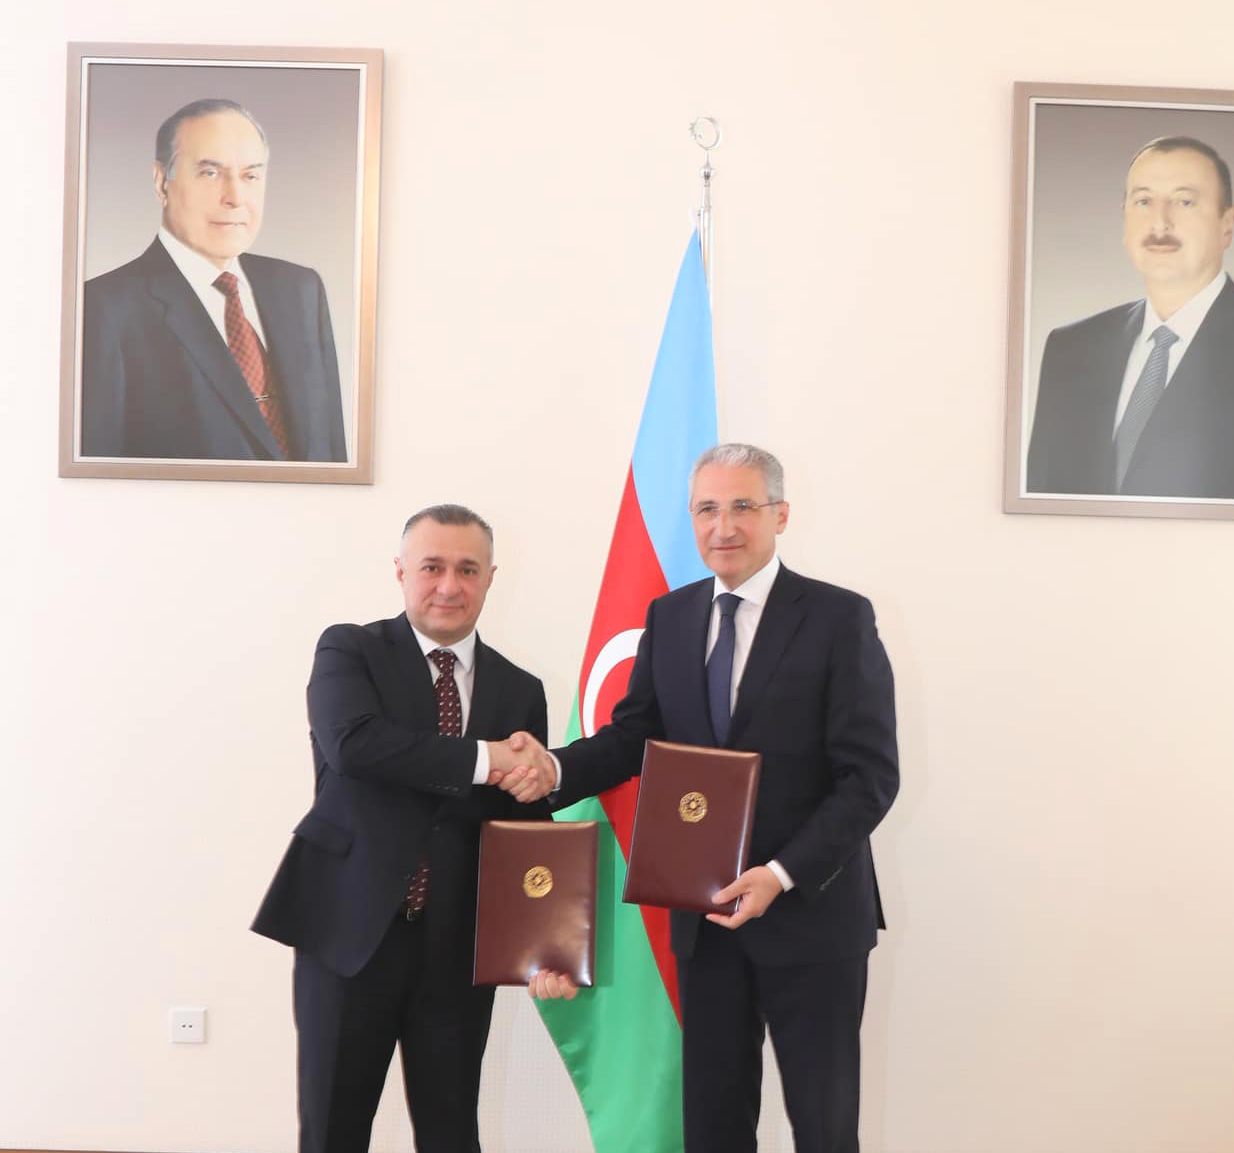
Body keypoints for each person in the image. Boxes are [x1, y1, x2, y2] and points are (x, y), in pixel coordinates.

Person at [507, 443, 900, 1153]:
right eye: (707, 509)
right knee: (713, 1126)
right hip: (705, 917)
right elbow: (632, 739)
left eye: (743, 506)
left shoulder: (840, 617)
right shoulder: (671, 616)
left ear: (781, 514)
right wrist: (555, 769)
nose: (724, 525)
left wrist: (780, 874)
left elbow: (869, 777)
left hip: (811, 916)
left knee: (825, 1125)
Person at [252, 504, 559, 1153]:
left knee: (452, 1134)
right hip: (348, 934)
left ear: (491, 578)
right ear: (400, 571)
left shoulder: (521, 690)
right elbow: (356, 746)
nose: (449, 585)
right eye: (432, 567)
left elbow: (525, 825)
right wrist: (488, 758)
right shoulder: (349, 650)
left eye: (467, 569)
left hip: (455, 948)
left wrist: (547, 945)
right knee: (333, 1131)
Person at [1026, 135, 1234, 500]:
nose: (1160, 223)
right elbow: (1039, 500)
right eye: (1144, 201)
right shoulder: (1071, 348)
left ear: (1227, 224)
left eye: (1184, 202)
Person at [80, 97, 346, 462]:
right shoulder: (102, 309)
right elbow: (98, 475)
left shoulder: (301, 290)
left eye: (250, 176)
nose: (235, 197)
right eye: (210, 173)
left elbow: (333, 455)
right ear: (162, 182)